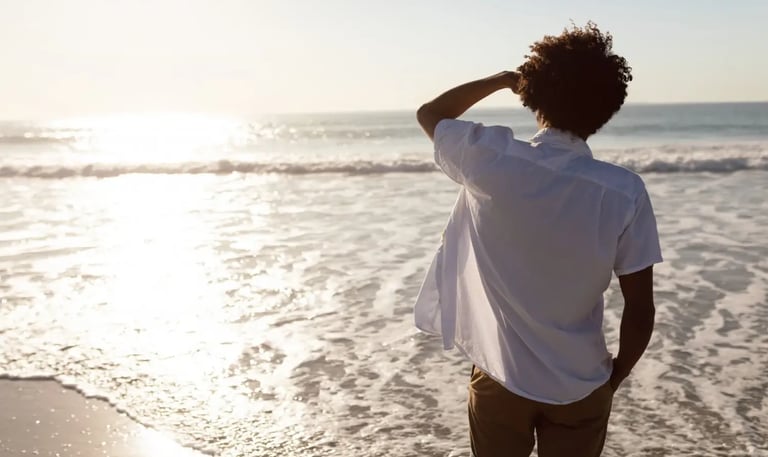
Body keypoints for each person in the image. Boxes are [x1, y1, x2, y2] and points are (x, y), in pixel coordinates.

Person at [413, 23, 662, 457]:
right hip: (582, 384)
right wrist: (613, 379)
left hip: (501, 375)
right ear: (607, 108)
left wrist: (503, 79)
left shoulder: (491, 159)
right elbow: (640, 311)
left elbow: (432, 114)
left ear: (534, 94)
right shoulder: (623, 191)